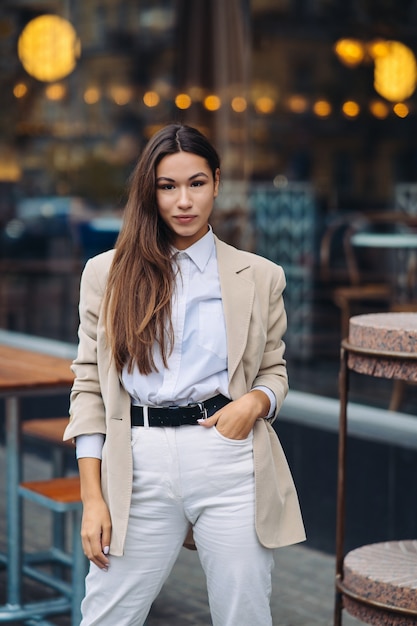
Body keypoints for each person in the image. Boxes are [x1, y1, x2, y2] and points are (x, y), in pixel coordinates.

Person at [64, 123, 305, 626]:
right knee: (107, 615)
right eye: (167, 186)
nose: (183, 201)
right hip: (138, 460)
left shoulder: (260, 276)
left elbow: (273, 369)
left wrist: (254, 403)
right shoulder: (106, 274)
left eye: (196, 183)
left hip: (227, 458)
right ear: (149, 193)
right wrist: (92, 498)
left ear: (217, 182)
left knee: (244, 615)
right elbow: (88, 385)